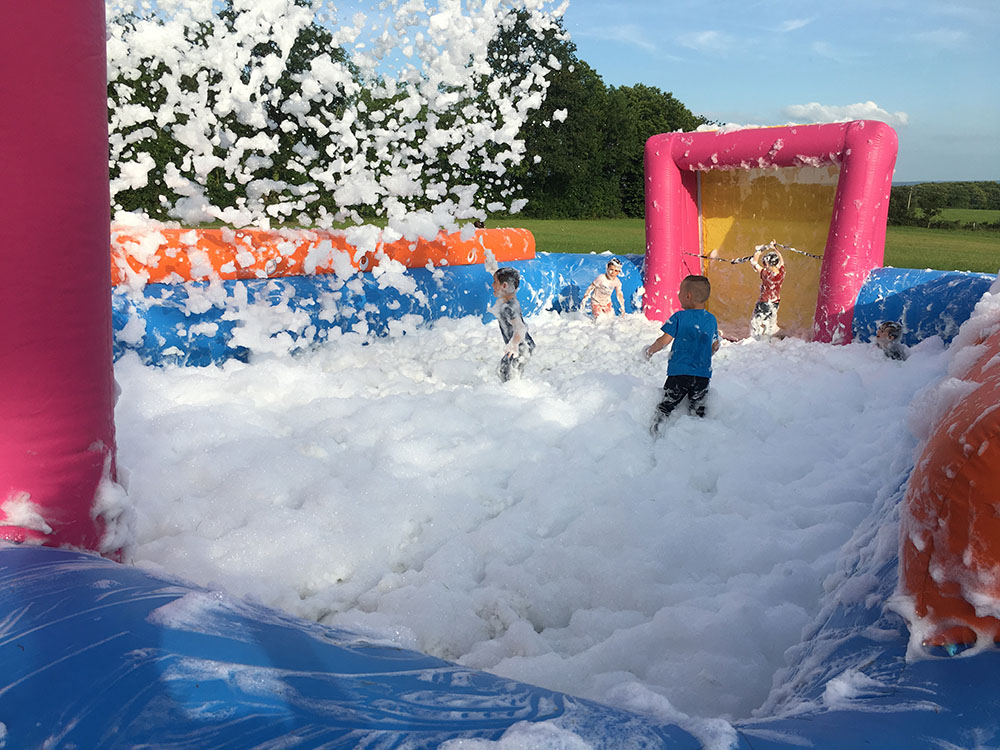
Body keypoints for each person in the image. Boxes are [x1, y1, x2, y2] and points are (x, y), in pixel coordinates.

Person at [644, 275, 720, 434]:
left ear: (688, 296)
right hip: (702, 375)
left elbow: (663, 341)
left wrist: (650, 350)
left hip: (679, 374)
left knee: (667, 405)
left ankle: (655, 430)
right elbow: (715, 345)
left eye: (680, 292)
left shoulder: (679, 317)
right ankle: (698, 437)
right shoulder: (711, 319)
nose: (678, 295)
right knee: (698, 410)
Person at [491, 266, 536, 382]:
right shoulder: (509, 302)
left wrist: (513, 345)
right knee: (507, 371)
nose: (492, 285)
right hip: (524, 345)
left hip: (521, 347)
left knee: (507, 374)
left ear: (504, 286)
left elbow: (520, 327)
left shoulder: (508, 307)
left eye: (495, 282)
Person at [749, 242, 785, 339]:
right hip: (775, 303)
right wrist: (774, 248)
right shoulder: (781, 273)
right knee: (769, 325)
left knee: (755, 323)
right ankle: (768, 341)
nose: (765, 265)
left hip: (764, 302)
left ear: (769, 264)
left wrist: (759, 251)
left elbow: (754, 263)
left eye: (766, 263)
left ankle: (756, 341)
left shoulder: (767, 275)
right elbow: (781, 260)